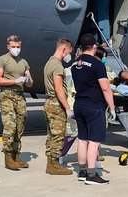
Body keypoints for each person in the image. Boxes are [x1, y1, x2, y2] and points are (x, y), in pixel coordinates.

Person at [72, 34, 116, 185]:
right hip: (94, 105)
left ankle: (82, 171)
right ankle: (92, 175)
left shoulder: (75, 64)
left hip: (79, 104)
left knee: (82, 139)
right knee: (94, 141)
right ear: (94, 47)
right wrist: (112, 107)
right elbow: (105, 88)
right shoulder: (97, 65)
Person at [0, 34, 33, 170]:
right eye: (13, 47)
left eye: (18, 47)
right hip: (7, 94)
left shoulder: (24, 62)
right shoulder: (1, 60)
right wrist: (14, 81)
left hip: (20, 96)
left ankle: (16, 155)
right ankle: (8, 156)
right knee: (10, 125)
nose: (16, 49)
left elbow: (30, 84)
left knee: (19, 126)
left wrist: (27, 80)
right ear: (8, 47)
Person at [43, 38, 74, 175]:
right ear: (63, 49)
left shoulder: (49, 63)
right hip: (56, 104)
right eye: (69, 52)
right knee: (58, 136)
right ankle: (54, 165)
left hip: (50, 102)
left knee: (51, 135)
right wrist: (67, 107)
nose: (69, 55)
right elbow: (59, 89)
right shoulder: (57, 66)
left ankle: (50, 163)